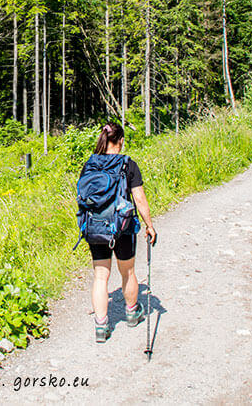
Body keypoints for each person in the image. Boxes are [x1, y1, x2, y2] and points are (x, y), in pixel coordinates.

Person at [85, 122, 157, 343]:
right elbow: (139, 198)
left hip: (96, 227)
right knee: (127, 272)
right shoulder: (128, 164)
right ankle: (132, 312)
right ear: (121, 141)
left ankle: (101, 326)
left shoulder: (90, 164)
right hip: (122, 227)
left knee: (100, 276)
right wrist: (149, 225)